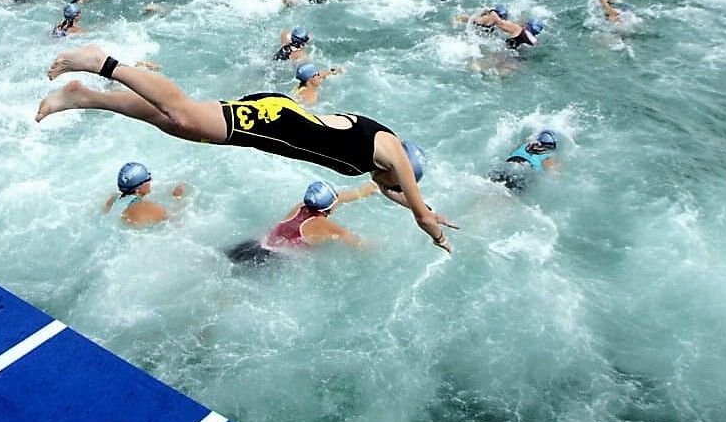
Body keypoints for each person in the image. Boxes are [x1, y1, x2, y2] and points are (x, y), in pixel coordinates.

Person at [35, 45, 457, 250]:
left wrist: (415, 206)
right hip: (275, 121)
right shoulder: (393, 153)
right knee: (181, 112)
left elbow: (391, 192)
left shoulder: (383, 161)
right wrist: (434, 229)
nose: (392, 184)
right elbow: (417, 210)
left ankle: (84, 96)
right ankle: (100, 63)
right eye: (400, 182)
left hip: (276, 122)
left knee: (171, 124)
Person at [224, 181, 365, 265]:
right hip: (269, 259)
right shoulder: (322, 225)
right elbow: (357, 244)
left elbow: (337, 199)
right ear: (331, 206)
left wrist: (362, 192)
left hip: (253, 245)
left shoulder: (300, 206)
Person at [103, 161, 186, 226]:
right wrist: (177, 198)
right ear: (137, 189)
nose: (151, 180)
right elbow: (175, 222)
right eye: (148, 178)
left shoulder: (112, 199)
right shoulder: (148, 207)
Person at [488, 130, 560, 191]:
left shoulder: (524, 145)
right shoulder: (549, 156)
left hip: (507, 165)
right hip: (523, 171)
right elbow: (552, 177)